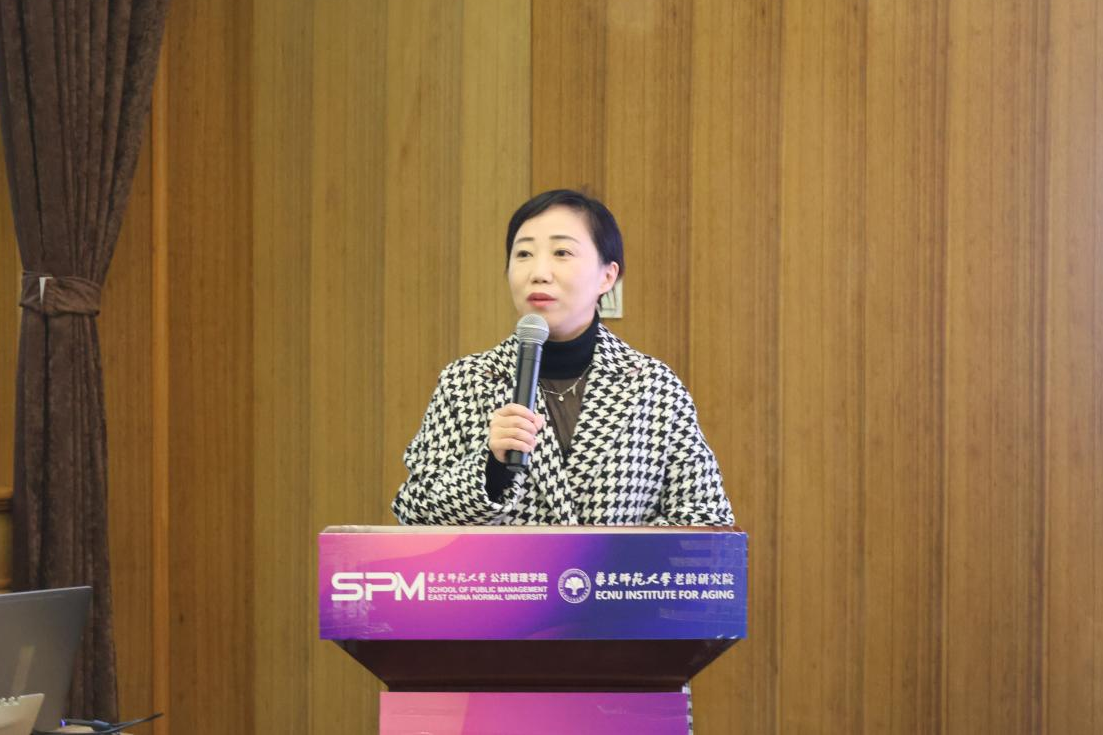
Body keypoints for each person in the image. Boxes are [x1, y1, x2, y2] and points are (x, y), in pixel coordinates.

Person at [391, 189, 734, 527]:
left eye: (562, 252)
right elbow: (415, 511)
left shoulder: (653, 386)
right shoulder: (466, 381)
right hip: (509, 569)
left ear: (607, 276)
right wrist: (490, 469)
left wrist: (615, 554)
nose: (539, 272)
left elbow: (707, 519)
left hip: (614, 568)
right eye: (523, 254)